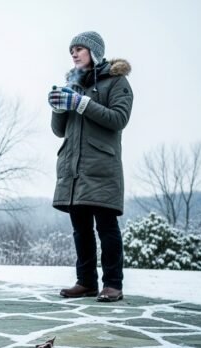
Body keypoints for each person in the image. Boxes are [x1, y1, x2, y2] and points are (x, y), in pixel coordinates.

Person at [47, 31, 133, 302]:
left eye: (79, 49)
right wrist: (58, 108)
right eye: (72, 49)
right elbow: (59, 131)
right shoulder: (72, 85)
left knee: (106, 228)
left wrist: (82, 103)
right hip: (73, 169)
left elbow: (119, 118)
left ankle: (113, 285)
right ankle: (85, 282)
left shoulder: (117, 82)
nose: (73, 53)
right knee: (80, 229)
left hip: (102, 167)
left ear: (94, 52)